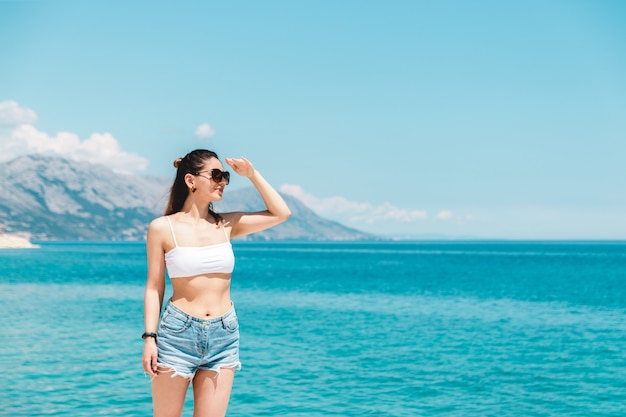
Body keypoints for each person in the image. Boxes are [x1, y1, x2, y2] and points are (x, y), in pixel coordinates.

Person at [141, 149, 291, 417]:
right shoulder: (162, 228)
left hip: (224, 334)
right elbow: (154, 287)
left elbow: (281, 213)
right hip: (177, 335)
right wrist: (150, 338)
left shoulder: (227, 224)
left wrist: (253, 175)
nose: (222, 181)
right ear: (191, 180)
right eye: (216, 175)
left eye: (226, 176)